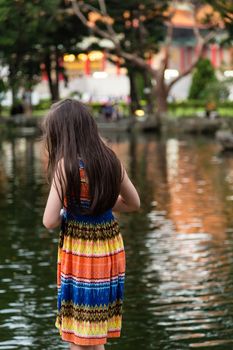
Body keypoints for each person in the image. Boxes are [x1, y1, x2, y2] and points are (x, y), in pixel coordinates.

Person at [42, 99, 140, 350]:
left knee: (79, 337)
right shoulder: (110, 160)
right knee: (95, 334)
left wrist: (73, 208)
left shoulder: (66, 166)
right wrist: (100, 204)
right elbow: (133, 203)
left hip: (83, 252)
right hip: (109, 250)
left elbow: (49, 221)